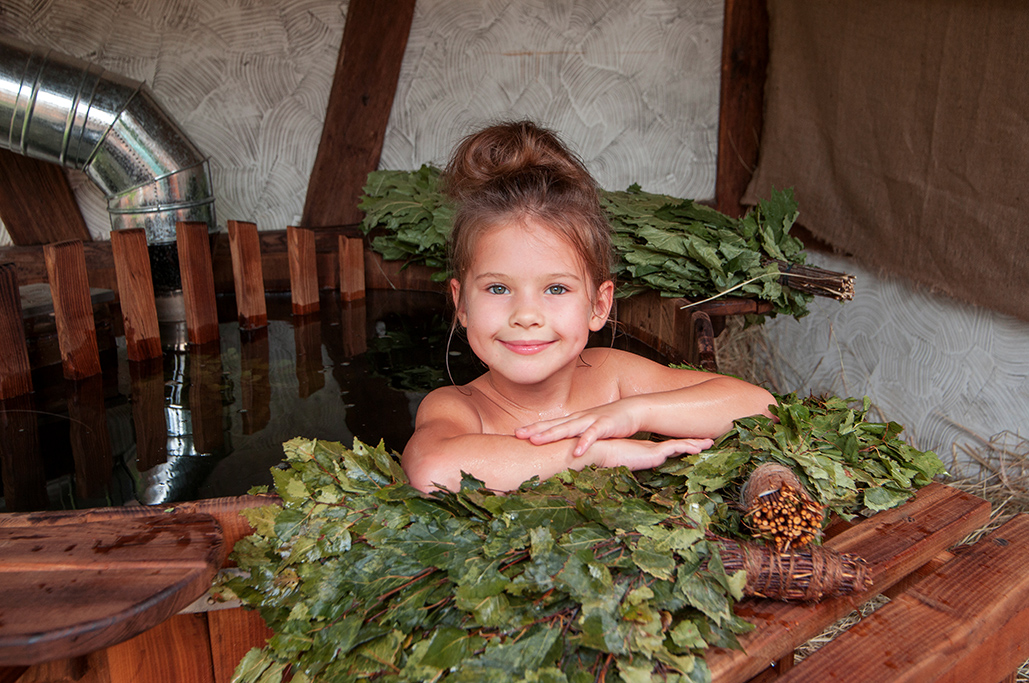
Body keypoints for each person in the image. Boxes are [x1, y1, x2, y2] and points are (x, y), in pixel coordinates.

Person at [402, 121, 774, 493]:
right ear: (461, 304)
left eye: (556, 288)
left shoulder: (612, 377)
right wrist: (592, 455)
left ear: (599, 305)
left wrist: (632, 413)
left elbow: (759, 407)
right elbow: (432, 467)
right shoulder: (461, 407)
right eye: (498, 288)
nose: (526, 316)